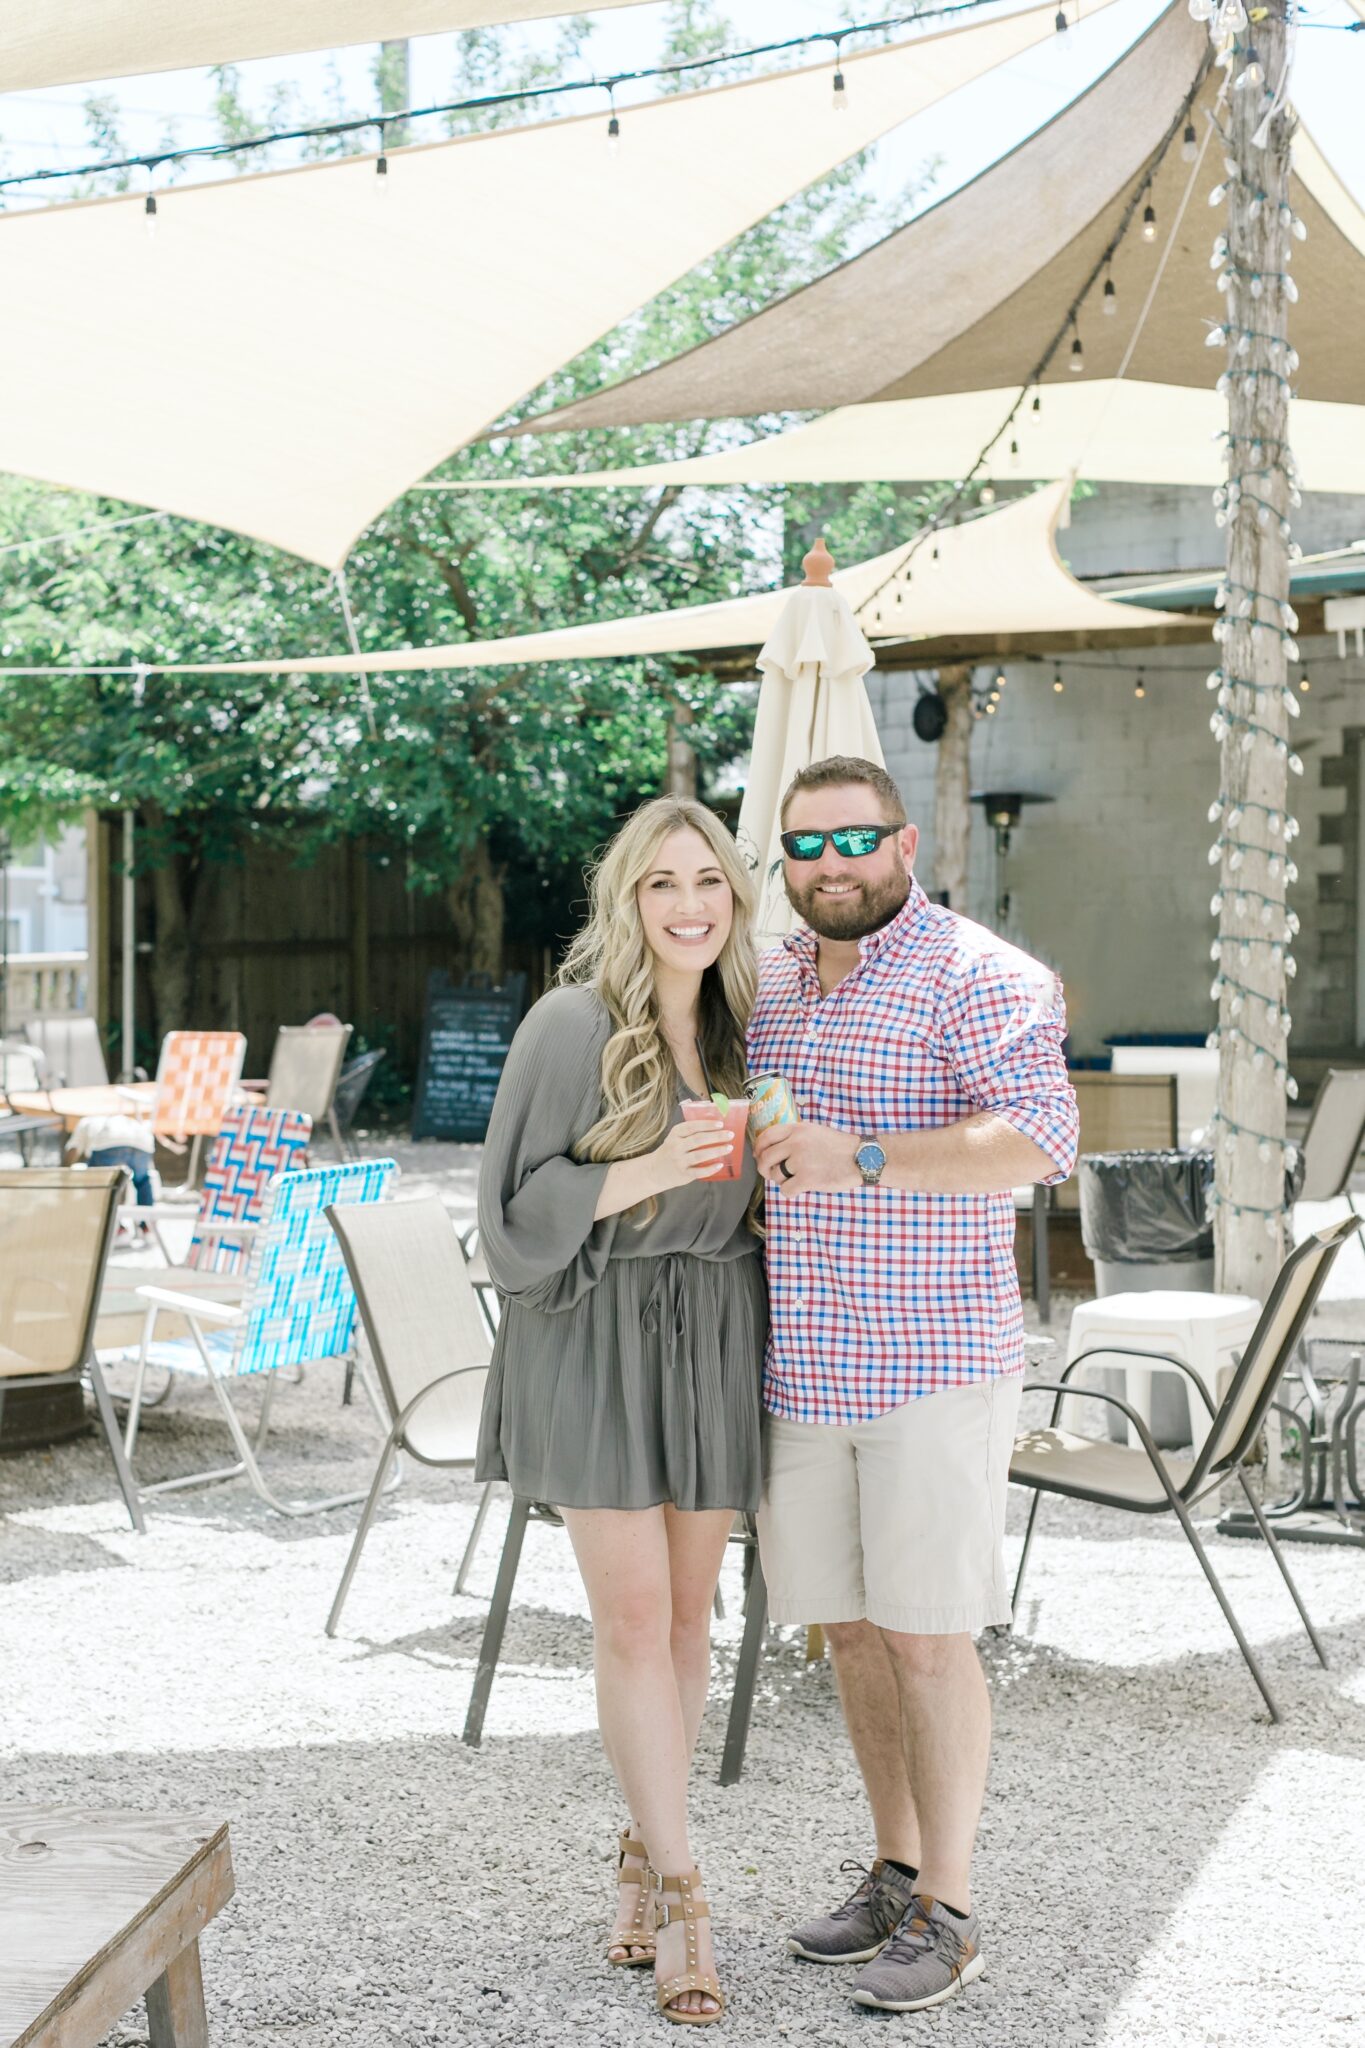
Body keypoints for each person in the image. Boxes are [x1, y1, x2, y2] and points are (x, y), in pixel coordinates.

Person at [747, 754, 1078, 2016]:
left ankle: (951, 1907)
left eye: (855, 839)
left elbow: (1043, 1137)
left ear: (908, 841)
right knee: (847, 1628)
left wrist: (860, 1154)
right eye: (805, 844)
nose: (831, 864)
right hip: (804, 1361)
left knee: (931, 1639)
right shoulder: (770, 975)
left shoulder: (980, 973)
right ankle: (891, 1867)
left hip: (932, 1358)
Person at [475, 795, 768, 2028]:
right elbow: (509, 1212)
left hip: (711, 1337)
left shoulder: (750, 1029)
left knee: (692, 1617)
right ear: (627, 898)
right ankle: (690, 1899)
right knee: (635, 1618)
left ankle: (641, 1853)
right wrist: (653, 1166)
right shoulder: (569, 1020)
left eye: (709, 880)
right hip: (594, 1336)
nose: (689, 903)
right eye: (662, 883)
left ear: (735, 899)